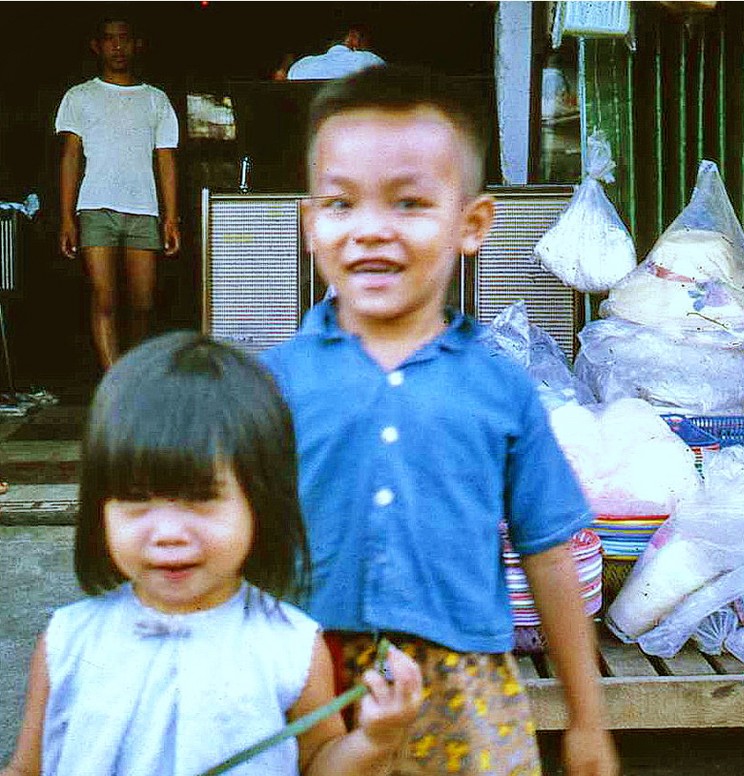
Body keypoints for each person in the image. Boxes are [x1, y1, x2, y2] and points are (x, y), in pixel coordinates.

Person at [260, 65, 620, 775]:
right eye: (340, 203)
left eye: (409, 203)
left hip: (465, 690)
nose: (371, 231)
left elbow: (549, 551)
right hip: (310, 687)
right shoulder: (272, 383)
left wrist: (586, 718)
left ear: (472, 225)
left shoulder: (500, 389)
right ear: (309, 224)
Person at [0, 331, 423, 776]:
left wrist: (375, 738)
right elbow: (27, 768)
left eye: (200, 499)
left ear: (260, 503)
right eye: (136, 500)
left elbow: (320, 763)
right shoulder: (68, 641)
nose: (167, 533)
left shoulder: (290, 646)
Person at [55, 15, 180, 372]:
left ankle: (133, 376)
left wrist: (171, 217)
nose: (117, 46)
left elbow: (167, 160)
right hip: (95, 207)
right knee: (105, 299)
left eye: (124, 39)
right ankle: (114, 380)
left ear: (137, 44)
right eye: (109, 39)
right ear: (97, 46)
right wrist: (66, 218)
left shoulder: (156, 99)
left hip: (144, 209)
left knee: (143, 302)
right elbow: (70, 158)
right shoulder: (79, 96)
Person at [287, 25, 385, 81]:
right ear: (354, 37)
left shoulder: (299, 66)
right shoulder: (369, 60)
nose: (367, 46)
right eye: (366, 40)